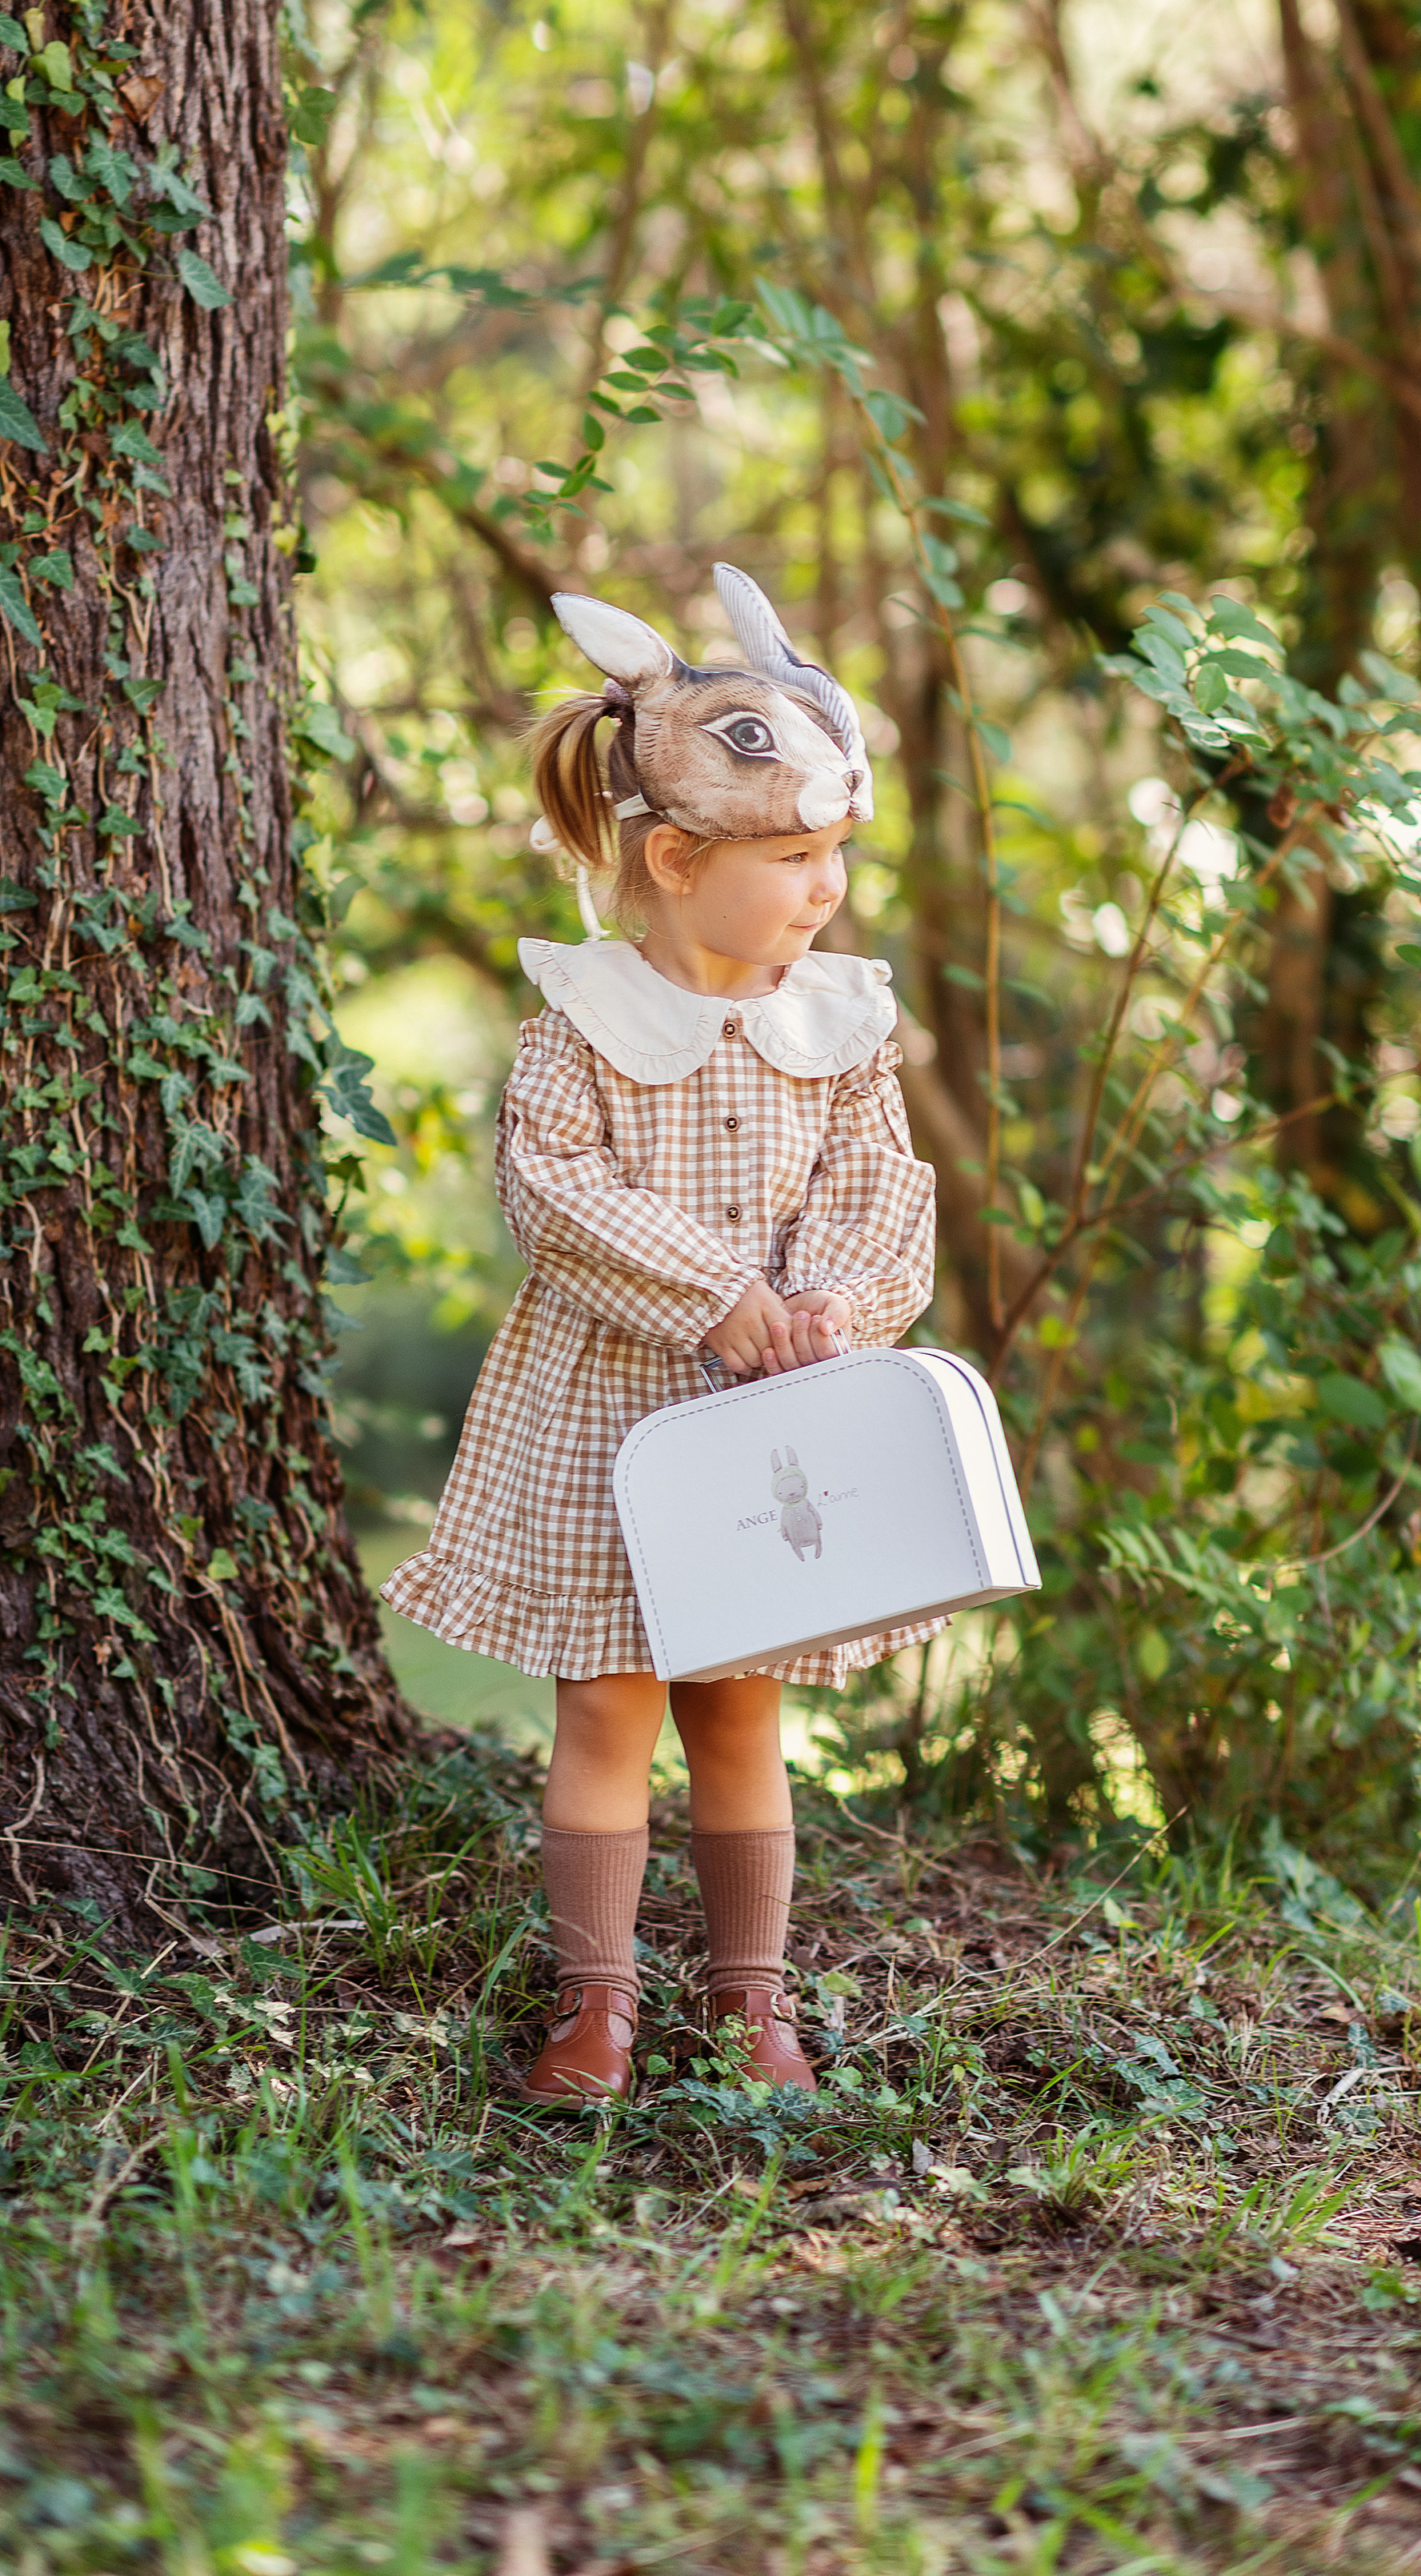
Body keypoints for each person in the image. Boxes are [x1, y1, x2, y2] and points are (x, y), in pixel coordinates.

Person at [381, 563, 943, 2103]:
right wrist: (715, 1291)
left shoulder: (839, 1022)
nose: (826, 887)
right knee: (612, 1706)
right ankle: (599, 2007)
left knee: (740, 1706)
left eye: (836, 852)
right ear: (680, 857)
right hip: (608, 1418)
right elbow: (551, 1188)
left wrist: (829, 1303)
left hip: (771, 1428)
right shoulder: (584, 1024)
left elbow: (880, 1184)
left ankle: (753, 2003)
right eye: (794, 855)